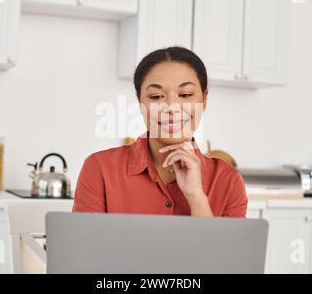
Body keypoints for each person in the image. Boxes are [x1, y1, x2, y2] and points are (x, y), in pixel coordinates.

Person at [73, 46, 247, 217]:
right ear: (140, 103)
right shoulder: (99, 169)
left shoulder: (228, 180)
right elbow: (85, 244)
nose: (171, 107)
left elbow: (223, 247)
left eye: (185, 95)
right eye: (156, 97)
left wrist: (196, 197)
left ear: (204, 100)